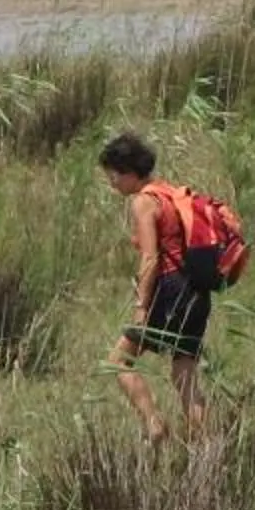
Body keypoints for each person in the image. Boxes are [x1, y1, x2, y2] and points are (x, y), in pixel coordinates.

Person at [97, 130, 211, 446]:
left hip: (170, 289)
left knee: (117, 361)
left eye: (115, 176)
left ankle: (154, 425)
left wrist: (141, 306)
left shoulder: (144, 202)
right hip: (196, 292)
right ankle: (204, 452)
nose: (113, 183)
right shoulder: (170, 193)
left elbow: (150, 257)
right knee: (184, 375)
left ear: (131, 173)